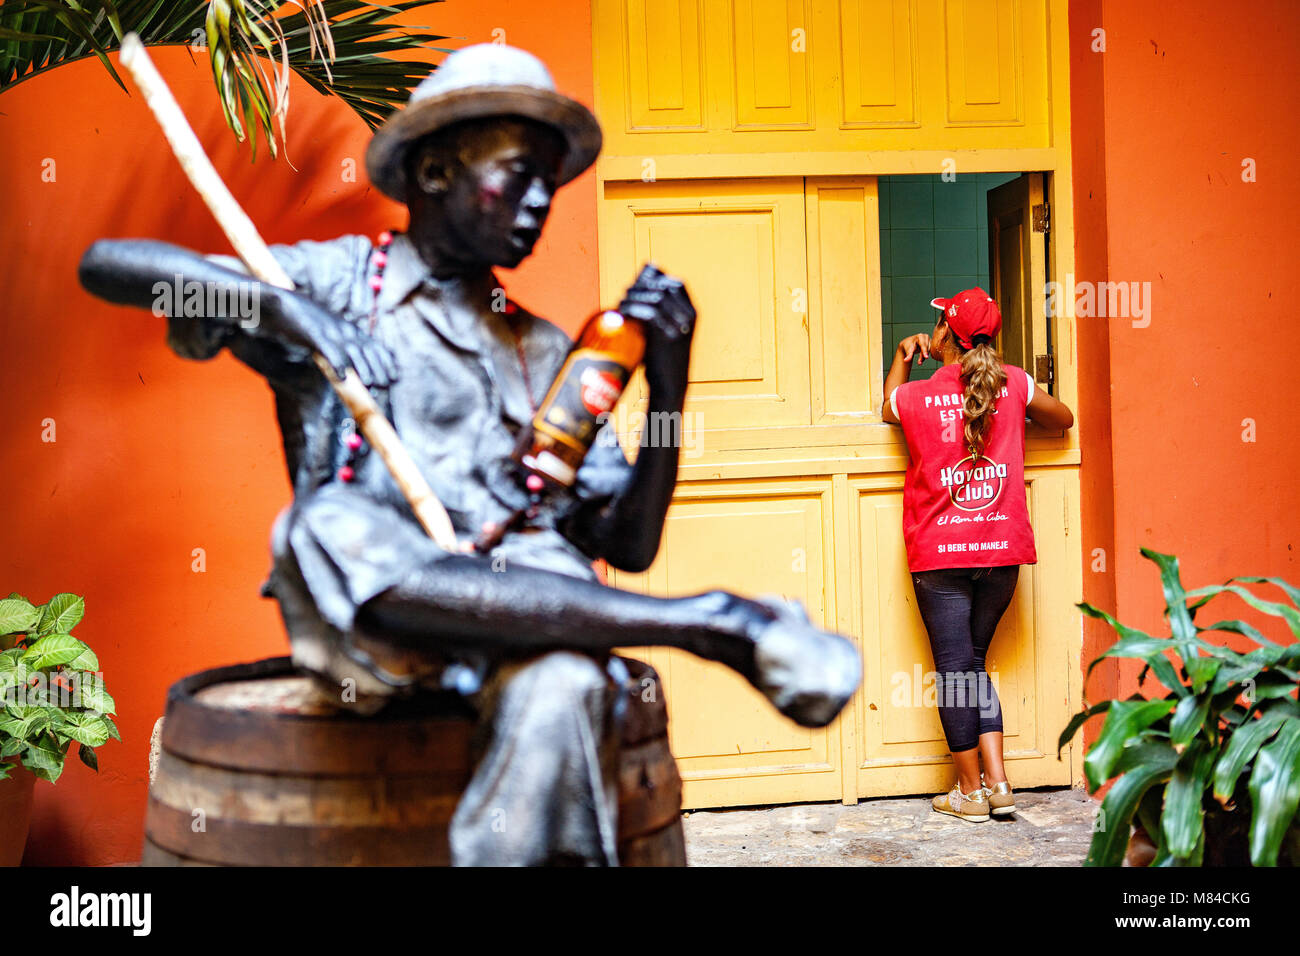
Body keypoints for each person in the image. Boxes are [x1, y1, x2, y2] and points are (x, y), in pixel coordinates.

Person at [77, 43, 860, 865]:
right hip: (374, 623)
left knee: (564, 686)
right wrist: (288, 313)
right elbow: (115, 267)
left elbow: (624, 543)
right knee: (326, 525)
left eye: (550, 186)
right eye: (518, 174)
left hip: (520, 622)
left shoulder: (548, 350)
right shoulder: (343, 283)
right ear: (436, 172)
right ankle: (705, 622)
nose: (538, 204)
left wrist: (667, 391)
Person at [882, 288, 1073, 822]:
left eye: (939, 323)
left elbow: (885, 405)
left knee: (955, 671)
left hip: (940, 555)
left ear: (944, 335)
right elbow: (1064, 419)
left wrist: (901, 358)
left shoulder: (919, 395)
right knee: (972, 663)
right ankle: (999, 783)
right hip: (1001, 553)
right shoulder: (1013, 384)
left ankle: (969, 793)